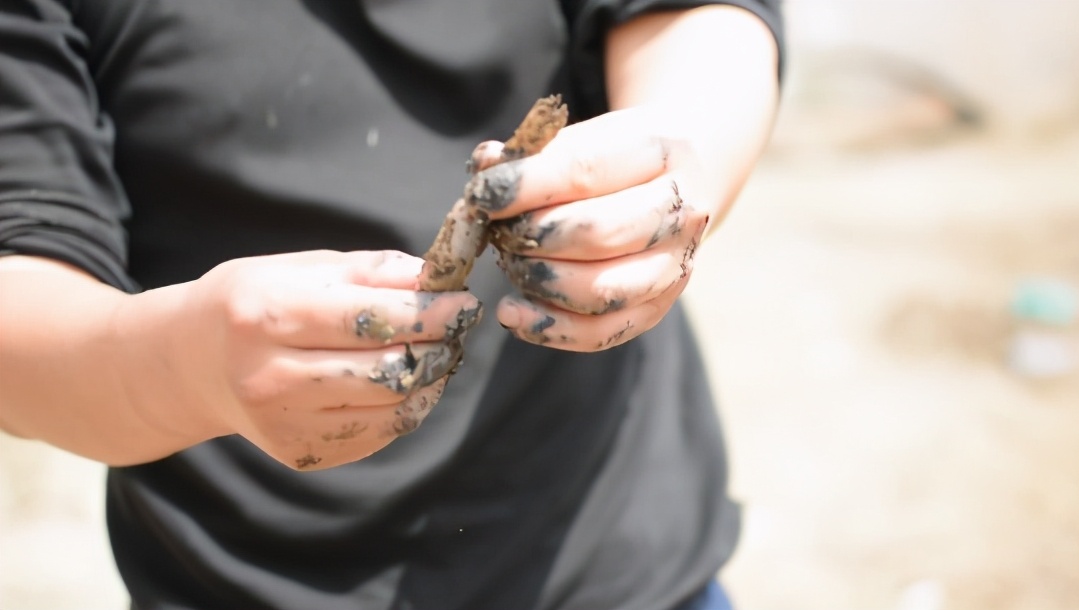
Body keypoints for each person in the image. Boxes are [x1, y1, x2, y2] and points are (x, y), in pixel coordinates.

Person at [0, 0, 782, 608]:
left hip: (611, 551)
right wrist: (185, 365)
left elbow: (700, 24)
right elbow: (21, 288)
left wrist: (672, 159)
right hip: (240, 576)